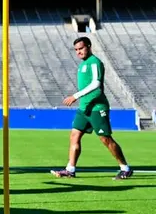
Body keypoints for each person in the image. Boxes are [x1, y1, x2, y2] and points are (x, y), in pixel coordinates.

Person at [51, 37, 133, 180]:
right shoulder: (83, 65)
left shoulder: (95, 62)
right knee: (74, 136)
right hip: (84, 108)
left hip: (97, 108)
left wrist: (75, 96)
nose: (78, 52)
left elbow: (96, 84)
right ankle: (70, 169)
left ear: (88, 46)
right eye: (76, 50)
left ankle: (125, 168)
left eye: (81, 48)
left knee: (105, 139)